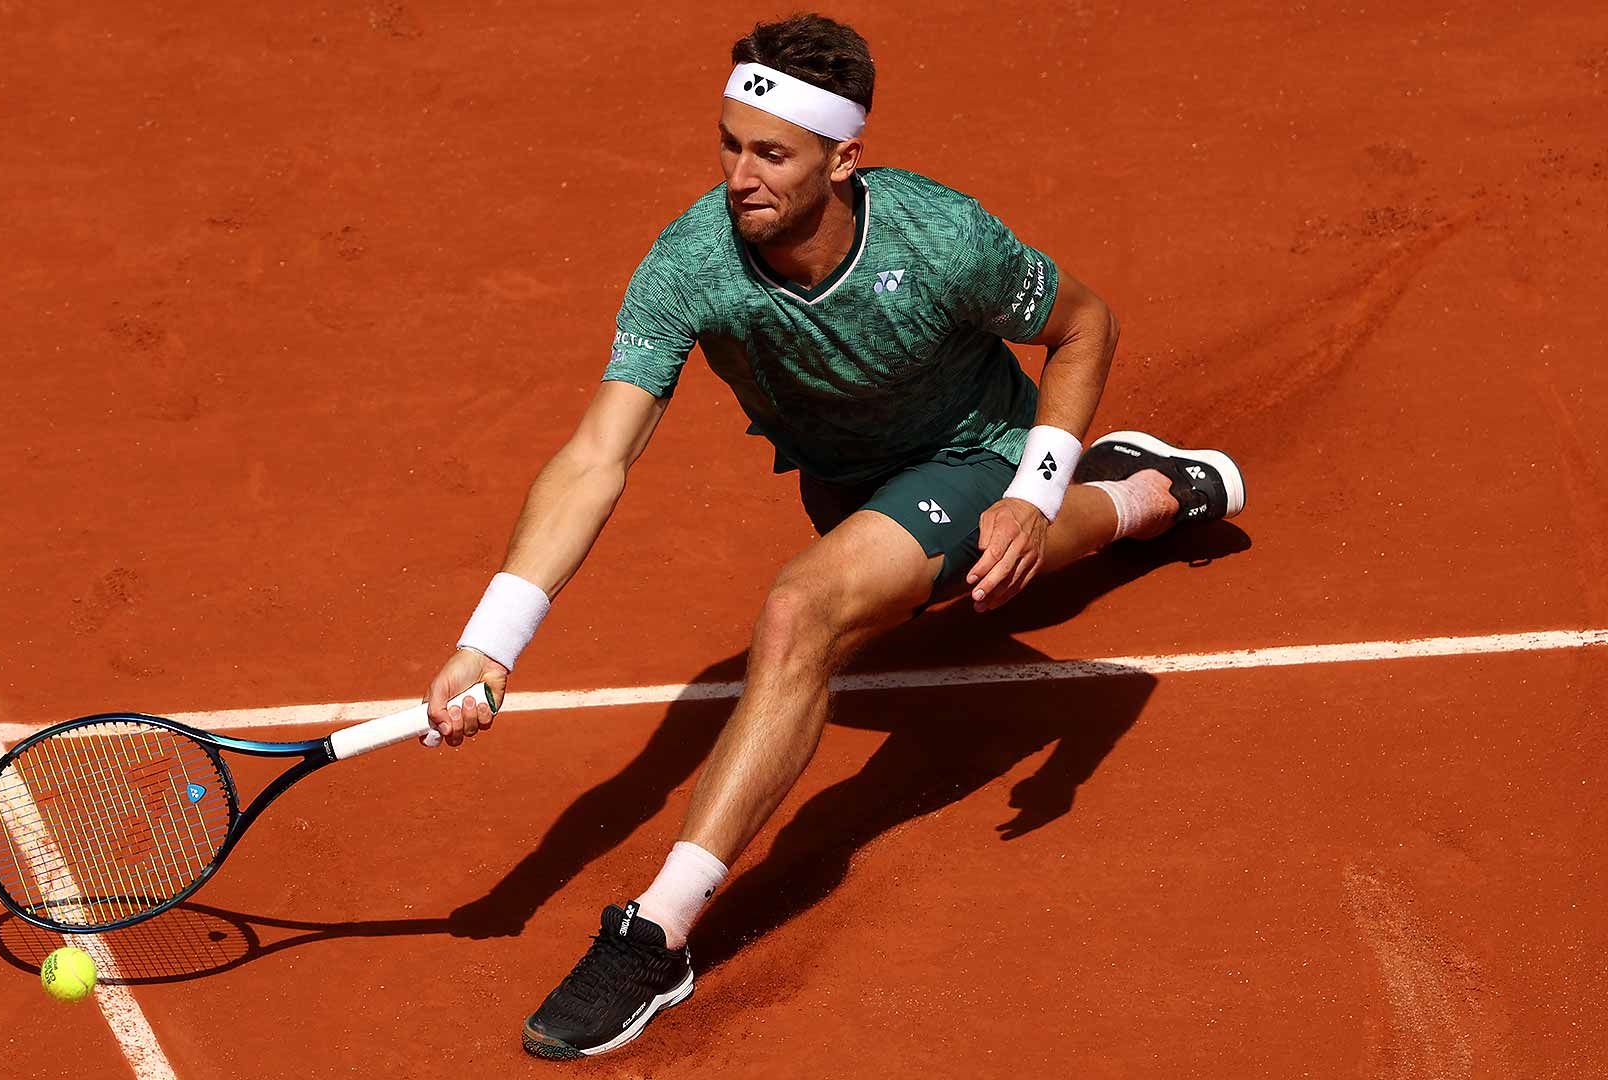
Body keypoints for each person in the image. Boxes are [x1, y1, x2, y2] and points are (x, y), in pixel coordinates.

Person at [419, 12, 1246, 1060]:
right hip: (850, 486)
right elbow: (595, 457)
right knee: (946, 585)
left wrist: (1034, 490)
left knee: (803, 610)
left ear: (846, 157)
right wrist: (494, 637)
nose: (738, 176)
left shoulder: (943, 237)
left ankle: (658, 934)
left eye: (772, 153)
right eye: (728, 142)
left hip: (978, 446)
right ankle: (1140, 489)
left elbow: (1088, 326)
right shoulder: (689, 265)